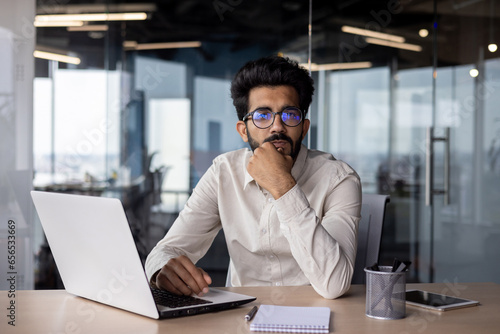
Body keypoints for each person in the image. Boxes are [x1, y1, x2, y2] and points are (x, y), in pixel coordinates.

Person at [145, 55, 361, 299]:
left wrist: (283, 186)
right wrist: (161, 272)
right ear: (243, 131)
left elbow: (335, 284)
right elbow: (167, 249)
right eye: (262, 115)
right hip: (241, 316)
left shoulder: (339, 178)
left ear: (304, 127)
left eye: (289, 115)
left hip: (318, 313)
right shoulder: (223, 172)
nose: (277, 126)